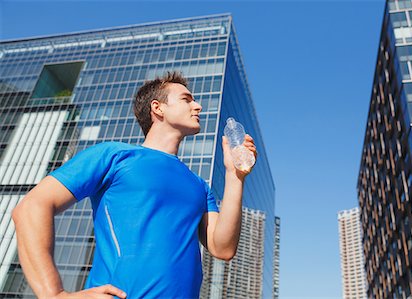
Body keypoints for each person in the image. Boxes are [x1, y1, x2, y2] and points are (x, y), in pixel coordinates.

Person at [12, 71, 257, 299]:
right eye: (186, 99)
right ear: (157, 108)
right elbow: (32, 207)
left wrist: (234, 176)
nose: (198, 105)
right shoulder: (113, 155)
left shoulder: (198, 185)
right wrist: (54, 294)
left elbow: (222, 248)